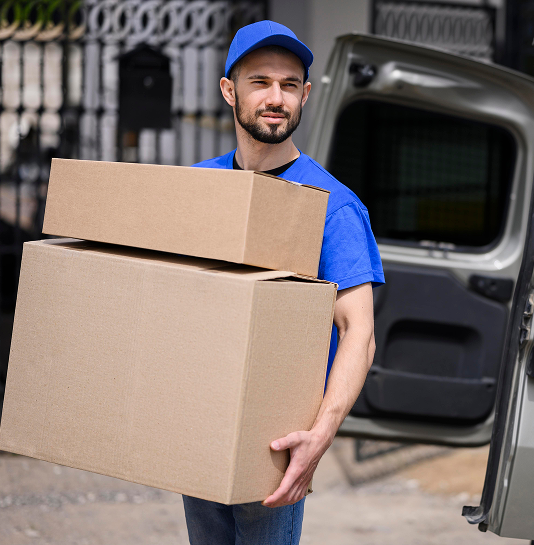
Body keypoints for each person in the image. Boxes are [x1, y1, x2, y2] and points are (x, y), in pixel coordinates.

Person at [186, 20, 384, 545]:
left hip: (275, 443)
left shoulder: (332, 206)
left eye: (289, 85)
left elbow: (359, 333)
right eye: (260, 82)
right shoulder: (200, 185)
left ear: (305, 95)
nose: (276, 98)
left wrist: (320, 436)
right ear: (229, 90)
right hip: (198, 424)